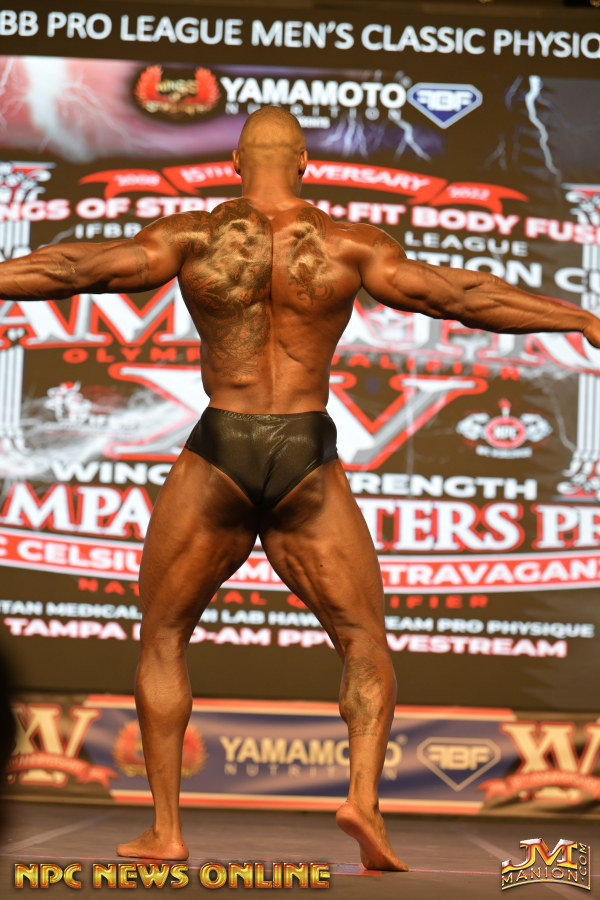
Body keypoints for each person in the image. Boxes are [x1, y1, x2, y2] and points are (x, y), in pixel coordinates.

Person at [0, 106, 598, 871]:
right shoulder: (349, 244)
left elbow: (74, 269)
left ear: (237, 162)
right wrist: (575, 317)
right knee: (362, 639)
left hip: (222, 443)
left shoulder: (195, 237)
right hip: (306, 451)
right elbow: (460, 295)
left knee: (164, 634)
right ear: (305, 163)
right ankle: (364, 802)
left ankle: (166, 829)